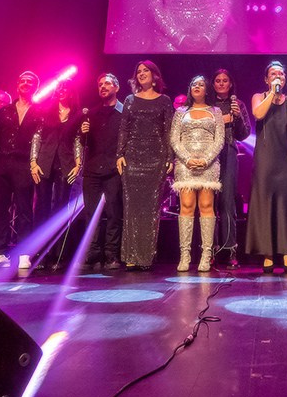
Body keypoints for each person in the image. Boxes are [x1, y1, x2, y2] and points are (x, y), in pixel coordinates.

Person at [246, 61, 287, 273]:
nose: (277, 76)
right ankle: (268, 253)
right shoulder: (259, 97)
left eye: (281, 73)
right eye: (273, 73)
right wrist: (272, 93)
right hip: (266, 158)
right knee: (266, 203)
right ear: (267, 79)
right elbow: (258, 114)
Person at [0, 71, 46, 270]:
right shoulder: (5, 111)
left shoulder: (40, 111)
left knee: (24, 208)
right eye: (22, 81)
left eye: (30, 82)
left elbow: (41, 139)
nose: (25, 84)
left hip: (24, 163)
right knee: (0, 208)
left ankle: (24, 252)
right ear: (17, 85)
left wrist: (36, 162)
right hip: (2, 163)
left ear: (35, 87)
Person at [117, 61, 174, 270]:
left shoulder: (165, 101)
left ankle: (146, 257)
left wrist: (170, 158)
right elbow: (124, 128)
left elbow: (168, 131)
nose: (141, 74)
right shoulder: (130, 100)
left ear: (155, 75)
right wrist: (119, 154)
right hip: (132, 158)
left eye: (145, 71)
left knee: (150, 209)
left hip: (156, 159)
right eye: (138, 71)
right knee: (131, 207)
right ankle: (130, 255)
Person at [170, 76, 226, 272]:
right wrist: (187, 159)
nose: (197, 87)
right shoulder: (180, 112)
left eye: (201, 84)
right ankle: (185, 255)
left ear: (207, 89)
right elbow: (174, 139)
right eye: (194, 84)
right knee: (186, 205)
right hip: (185, 165)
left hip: (208, 164)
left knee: (206, 205)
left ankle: (206, 254)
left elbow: (219, 139)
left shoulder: (215, 112)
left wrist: (205, 159)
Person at [30, 79, 83, 269]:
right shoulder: (47, 112)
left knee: (61, 208)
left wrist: (78, 163)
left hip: (66, 162)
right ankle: (40, 253)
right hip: (44, 161)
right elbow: (37, 136)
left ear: (71, 92)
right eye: (59, 88)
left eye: (65, 88)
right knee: (41, 208)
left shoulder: (77, 114)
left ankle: (57, 254)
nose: (61, 91)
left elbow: (77, 139)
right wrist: (33, 162)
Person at [77, 73, 125, 271]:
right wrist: (82, 132)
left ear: (116, 87)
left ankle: (112, 254)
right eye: (99, 84)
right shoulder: (92, 113)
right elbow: (83, 142)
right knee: (91, 213)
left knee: (114, 212)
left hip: (114, 168)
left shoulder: (125, 112)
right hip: (93, 168)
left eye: (107, 84)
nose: (103, 87)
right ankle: (93, 253)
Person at [209, 68, 251, 268]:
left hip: (229, 152)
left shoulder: (239, 104)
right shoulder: (208, 104)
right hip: (208, 155)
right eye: (217, 80)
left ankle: (230, 250)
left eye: (225, 80)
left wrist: (237, 117)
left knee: (227, 202)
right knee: (209, 202)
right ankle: (210, 249)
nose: (221, 83)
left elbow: (244, 134)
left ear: (230, 83)